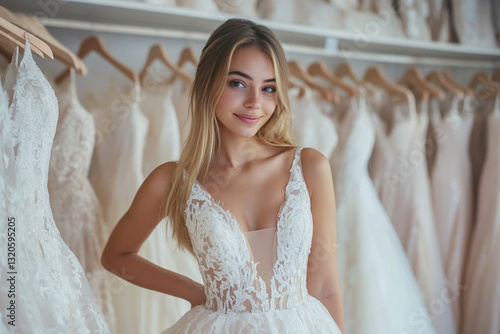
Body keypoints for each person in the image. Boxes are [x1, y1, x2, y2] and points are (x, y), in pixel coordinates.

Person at [101, 18, 345, 333]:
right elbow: (116, 256)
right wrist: (194, 291)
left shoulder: (309, 167)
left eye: (268, 88)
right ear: (208, 83)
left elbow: (325, 285)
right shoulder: (174, 181)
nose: (255, 103)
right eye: (238, 83)